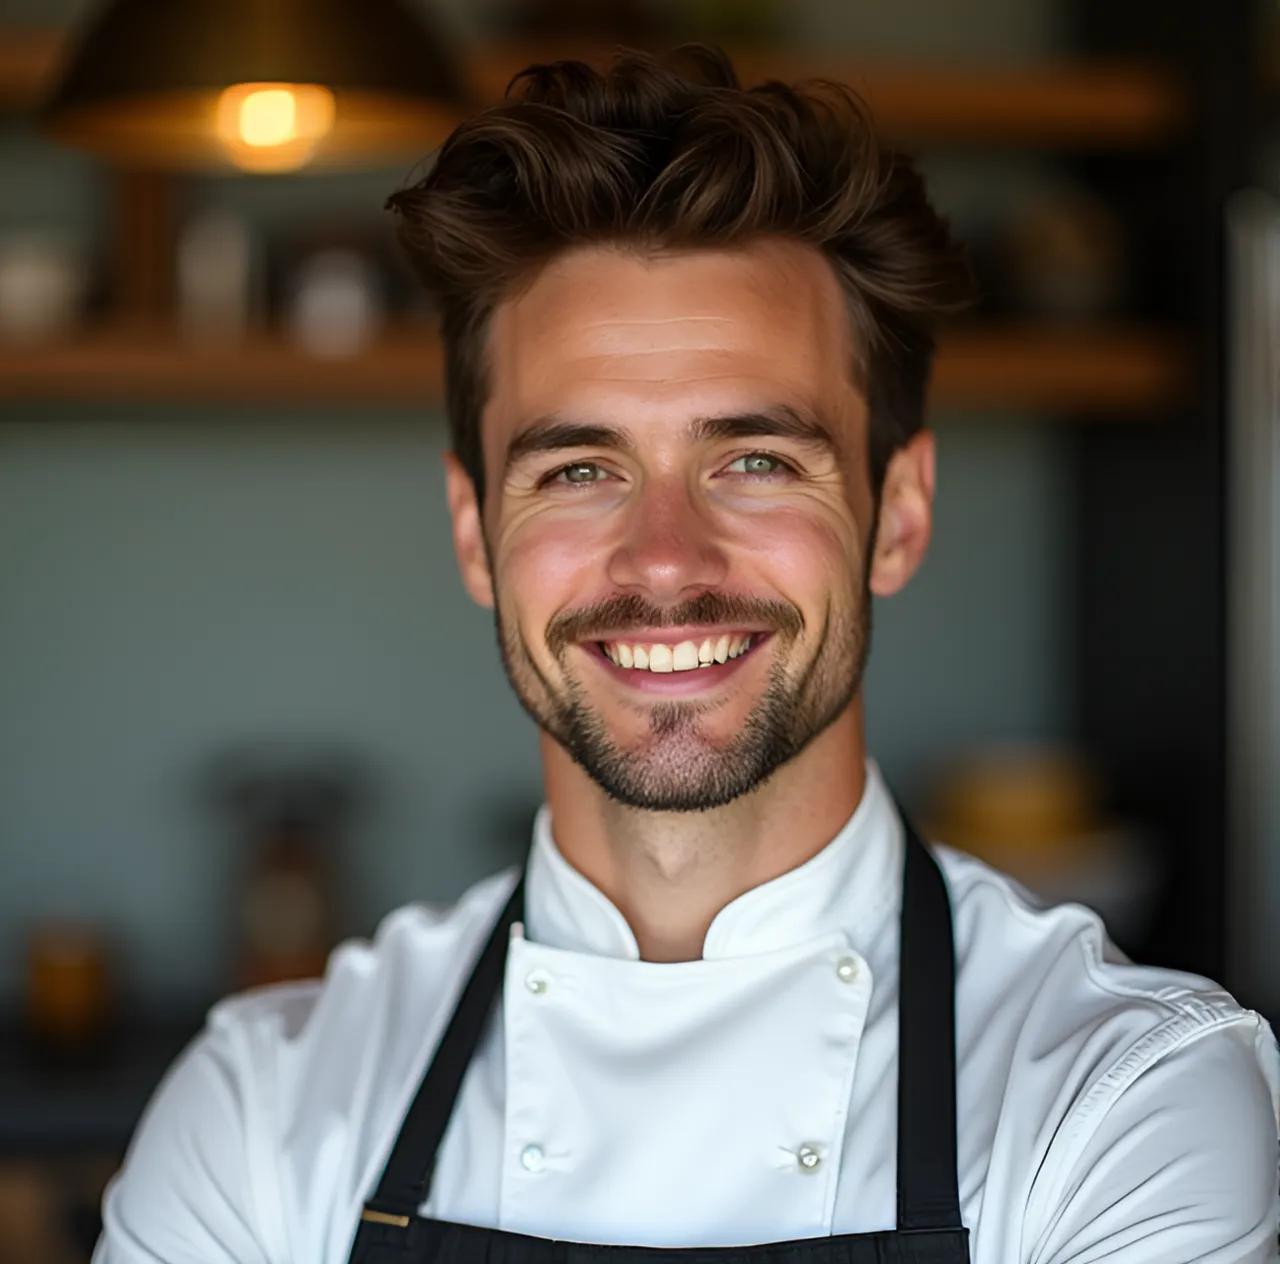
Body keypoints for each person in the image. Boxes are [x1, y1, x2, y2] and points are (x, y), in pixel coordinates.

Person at [93, 43, 1279, 1264]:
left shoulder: (1119, 1099)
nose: (663, 560)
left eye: (754, 460)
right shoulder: (268, 1106)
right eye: (579, 469)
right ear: (473, 535)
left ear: (900, 512)